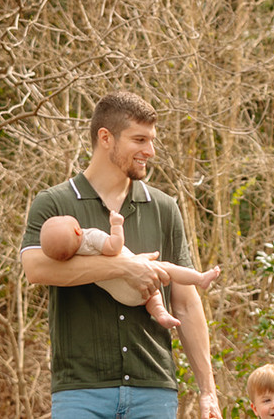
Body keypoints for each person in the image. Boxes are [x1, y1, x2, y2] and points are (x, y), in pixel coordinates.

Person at [20, 91, 223, 419]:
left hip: (154, 390)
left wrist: (208, 391)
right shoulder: (54, 203)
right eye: (139, 139)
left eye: (152, 140)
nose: (150, 151)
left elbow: (185, 303)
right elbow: (35, 268)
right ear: (106, 138)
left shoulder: (164, 208)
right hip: (80, 392)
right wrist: (121, 267)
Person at [39, 210, 221, 329]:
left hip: (123, 297)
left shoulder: (72, 259)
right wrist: (116, 226)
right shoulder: (90, 237)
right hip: (134, 279)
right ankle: (200, 279)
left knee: (152, 299)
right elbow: (114, 247)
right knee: (167, 268)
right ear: (78, 231)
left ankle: (162, 315)